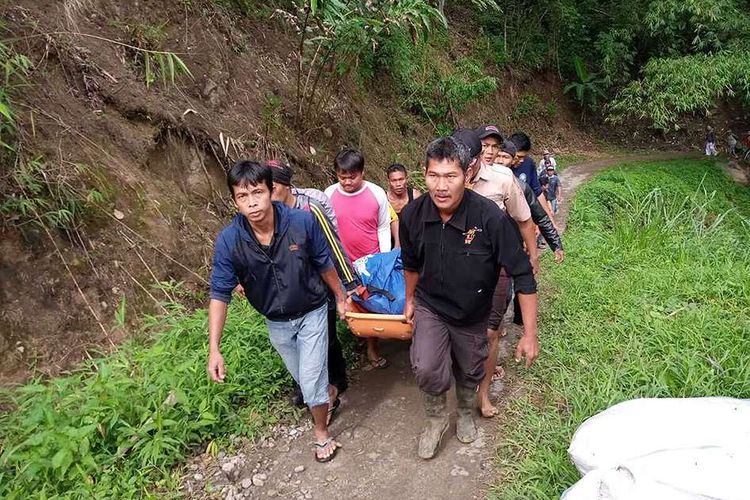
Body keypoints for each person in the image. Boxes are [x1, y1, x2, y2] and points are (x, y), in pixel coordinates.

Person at [400, 137, 539, 460]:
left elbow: (523, 274)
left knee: (470, 367)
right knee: (426, 366)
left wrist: (530, 334)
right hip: (431, 305)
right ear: (424, 174)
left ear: (468, 174)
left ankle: (464, 411)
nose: (441, 186)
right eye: (434, 175)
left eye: (451, 176)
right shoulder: (412, 216)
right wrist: (409, 300)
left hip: (474, 311)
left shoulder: (489, 218)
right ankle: (435, 421)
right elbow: (410, 265)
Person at [207, 160, 346, 463]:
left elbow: (324, 262)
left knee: (309, 382)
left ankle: (321, 431)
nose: (252, 202)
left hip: (312, 310)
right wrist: (214, 349)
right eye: (242, 197)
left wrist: (341, 296)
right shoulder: (230, 241)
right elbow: (219, 293)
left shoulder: (301, 222)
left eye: (257, 192)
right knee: (306, 378)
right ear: (234, 201)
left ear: (271, 191)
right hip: (276, 322)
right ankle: (329, 391)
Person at [267, 160, 361, 411]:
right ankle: (307, 386)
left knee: (326, 336)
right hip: (289, 287)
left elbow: (333, 246)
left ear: (287, 186)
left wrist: (348, 282)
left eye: (272, 187)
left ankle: (336, 380)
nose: (267, 193)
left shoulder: (310, 209)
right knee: (293, 339)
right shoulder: (268, 216)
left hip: (321, 282)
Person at [325, 149, 392, 369]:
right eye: (341, 176)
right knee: (347, 303)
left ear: (362, 172)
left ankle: (372, 347)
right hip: (341, 264)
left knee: (369, 305)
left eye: (351, 176)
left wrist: (382, 261)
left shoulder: (377, 193)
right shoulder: (328, 195)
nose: (346, 182)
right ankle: (358, 339)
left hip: (369, 262)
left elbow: (383, 227)